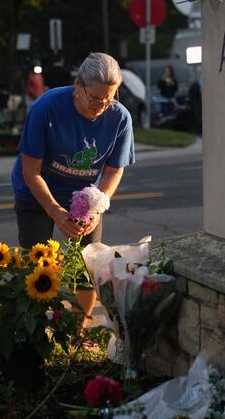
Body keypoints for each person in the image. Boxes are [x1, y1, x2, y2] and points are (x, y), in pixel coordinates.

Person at [11, 52, 135, 320]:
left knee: (87, 266)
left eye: (109, 98)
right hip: (37, 192)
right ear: (78, 85)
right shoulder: (47, 107)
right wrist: (55, 211)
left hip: (83, 197)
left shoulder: (120, 118)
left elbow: (114, 170)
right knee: (38, 267)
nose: (101, 105)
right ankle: (36, 331)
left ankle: (77, 330)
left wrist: (97, 208)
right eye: (94, 98)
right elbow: (30, 171)